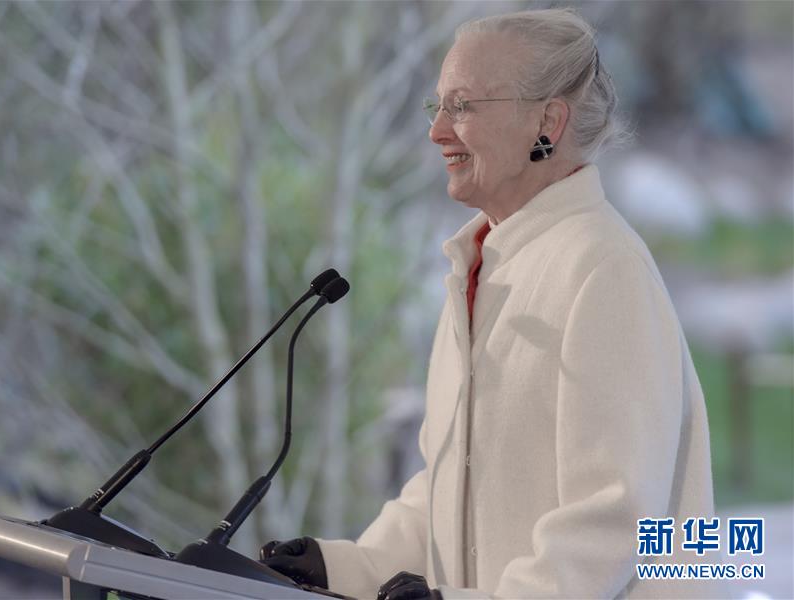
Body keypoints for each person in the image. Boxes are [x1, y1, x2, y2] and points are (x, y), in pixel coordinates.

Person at [261, 9, 723, 599]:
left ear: (547, 123)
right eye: (439, 107)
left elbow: (612, 521)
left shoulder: (604, 269)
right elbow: (449, 488)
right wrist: (344, 567)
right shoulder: (481, 264)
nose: (436, 132)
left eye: (463, 106)